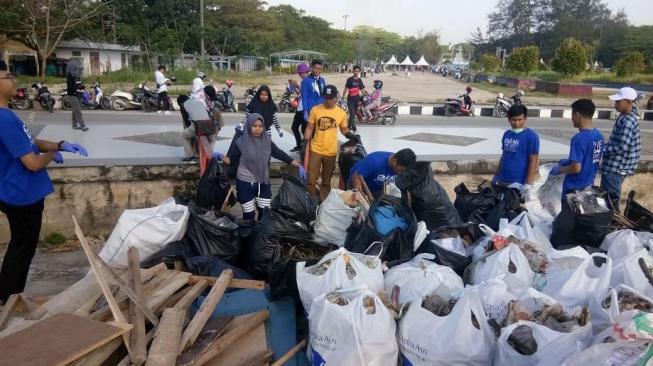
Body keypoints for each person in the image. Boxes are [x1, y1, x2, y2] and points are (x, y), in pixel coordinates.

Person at [0, 61, 88, 302]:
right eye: (8, 77)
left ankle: (9, 295)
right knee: (22, 249)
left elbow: (30, 143)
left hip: (18, 190)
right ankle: (9, 298)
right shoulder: (3, 119)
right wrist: (51, 156)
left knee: (22, 247)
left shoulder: (8, 115)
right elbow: (32, 162)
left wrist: (60, 145)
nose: (13, 80)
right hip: (20, 193)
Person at [222, 113, 304, 220]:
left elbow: (279, 154)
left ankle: (261, 235)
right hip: (245, 183)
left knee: (264, 214)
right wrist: (218, 156)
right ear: (249, 125)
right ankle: (249, 234)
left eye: (260, 126)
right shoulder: (241, 141)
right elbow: (230, 160)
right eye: (254, 126)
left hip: (263, 184)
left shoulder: (267, 141)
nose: (257, 129)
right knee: (249, 215)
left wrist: (298, 165)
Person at [550, 98, 605, 247]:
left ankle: (557, 250)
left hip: (573, 190)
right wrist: (568, 161)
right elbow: (591, 159)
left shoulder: (579, 139)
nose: (572, 118)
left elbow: (576, 168)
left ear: (578, 115)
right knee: (580, 223)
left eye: (572, 114)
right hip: (588, 186)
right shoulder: (598, 136)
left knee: (564, 227)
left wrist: (559, 170)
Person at [302, 85, 358, 201]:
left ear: (336, 97)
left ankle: (324, 203)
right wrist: (304, 143)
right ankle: (311, 202)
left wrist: (351, 135)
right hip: (315, 150)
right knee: (311, 180)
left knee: (326, 182)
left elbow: (344, 129)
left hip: (331, 152)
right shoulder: (315, 110)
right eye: (326, 98)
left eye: (331, 98)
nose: (328, 101)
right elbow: (310, 127)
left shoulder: (341, 113)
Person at [600, 87, 641, 211]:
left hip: (615, 168)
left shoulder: (628, 121)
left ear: (629, 102)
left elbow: (620, 147)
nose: (615, 104)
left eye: (618, 102)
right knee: (609, 199)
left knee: (610, 201)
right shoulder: (625, 116)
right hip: (616, 167)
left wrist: (600, 149)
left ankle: (614, 225)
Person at [493, 104, 540, 196]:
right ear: (509, 119)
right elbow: (504, 156)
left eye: (520, 120)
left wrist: (528, 184)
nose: (517, 123)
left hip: (518, 182)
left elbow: (533, 161)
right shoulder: (506, 134)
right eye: (513, 120)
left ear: (525, 119)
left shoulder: (531, 137)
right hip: (502, 179)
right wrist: (496, 176)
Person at [348, 149, 414, 201]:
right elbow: (356, 177)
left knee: (377, 209)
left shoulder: (400, 165)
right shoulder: (375, 162)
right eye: (401, 170)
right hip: (357, 182)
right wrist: (360, 196)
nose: (401, 173)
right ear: (394, 161)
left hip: (376, 186)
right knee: (355, 207)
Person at [180, 85, 224, 163]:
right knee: (212, 138)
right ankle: (209, 157)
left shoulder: (197, 99)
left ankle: (190, 156)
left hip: (198, 125)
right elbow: (218, 125)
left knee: (184, 136)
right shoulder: (212, 104)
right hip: (210, 125)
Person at [64, 59, 88, 131]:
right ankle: (83, 126)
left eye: (79, 69)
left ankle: (74, 125)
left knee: (75, 111)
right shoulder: (70, 77)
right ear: (72, 68)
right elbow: (71, 88)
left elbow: (81, 85)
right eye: (77, 68)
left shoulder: (77, 77)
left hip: (78, 95)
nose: (78, 70)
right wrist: (79, 90)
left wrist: (83, 88)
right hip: (72, 95)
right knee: (77, 111)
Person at [291, 64, 310, 152]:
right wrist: (296, 88)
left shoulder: (309, 82)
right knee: (294, 127)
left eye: (302, 72)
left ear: (306, 72)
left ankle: (307, 147)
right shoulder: (303, 81)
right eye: (299, 73)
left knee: (304, 130)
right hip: (300, 109)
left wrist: (298, 87)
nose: (300, 74)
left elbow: (308, 95)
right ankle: (299, 146)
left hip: (305, 110)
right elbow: (302, 95)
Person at [343, 65, 366, 131]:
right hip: (350, 100)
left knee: (353, 114)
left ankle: (348, 127)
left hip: (357, 100)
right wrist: (342, 97)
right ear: (353, 71)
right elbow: (345, 89)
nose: (357, 72)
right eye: (355, 71)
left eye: (358, 71)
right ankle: (354, 129)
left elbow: (362, 89)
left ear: (359, 72)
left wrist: (367, 95)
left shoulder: (359, 80)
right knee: (352, 114)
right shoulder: (349, 79)